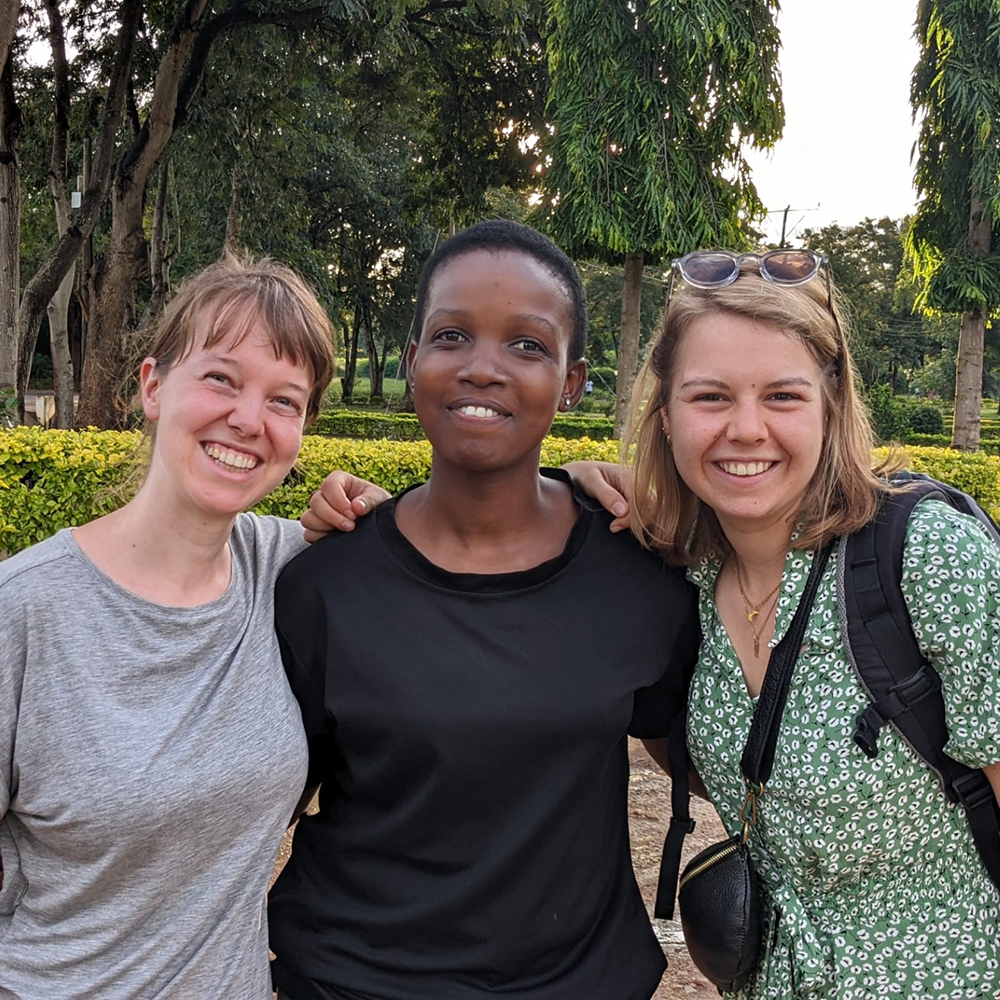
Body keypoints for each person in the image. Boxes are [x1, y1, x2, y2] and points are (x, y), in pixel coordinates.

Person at [268, 220, 701, 1000]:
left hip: (578, 982)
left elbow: (703, 754)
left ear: (572, 381)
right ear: (412, 363)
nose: (483, 368)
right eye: (451, 335)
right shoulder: (324, 585)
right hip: (353, 981)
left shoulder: (638, 576)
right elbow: (259, 799)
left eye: (528, 346)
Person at [569, 249, 1000, 998]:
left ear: (830, 404)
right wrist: (566, 481)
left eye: (782, 396)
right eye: (709, 398)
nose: (745, 429)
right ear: (665, 416)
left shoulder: (927, 558)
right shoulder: (683, 578)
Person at [0, 255, 385, 1000]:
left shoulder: (291, 572)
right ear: (152, 386)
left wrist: (580, 485)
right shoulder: (24, 611)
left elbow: (453, 538)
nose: (248, 419)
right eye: (220, 378)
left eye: (285, 400)